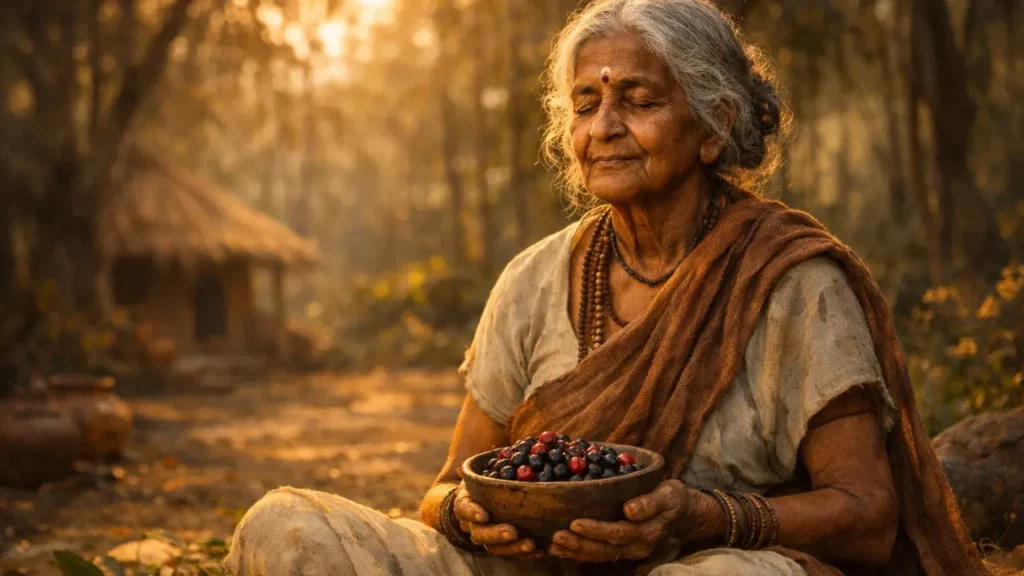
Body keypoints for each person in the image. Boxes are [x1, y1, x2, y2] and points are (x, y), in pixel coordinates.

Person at [226, 0, 985, 574]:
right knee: (284, 526)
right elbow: (447, 486)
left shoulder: (792, 282)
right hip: (525, 570)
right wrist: (466, 513)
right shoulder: (533, 279)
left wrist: (704, 518)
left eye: (640, 100)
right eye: (587, 104)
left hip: (702, 564)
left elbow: (866, 513)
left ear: (713, 125)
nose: (605, 125)